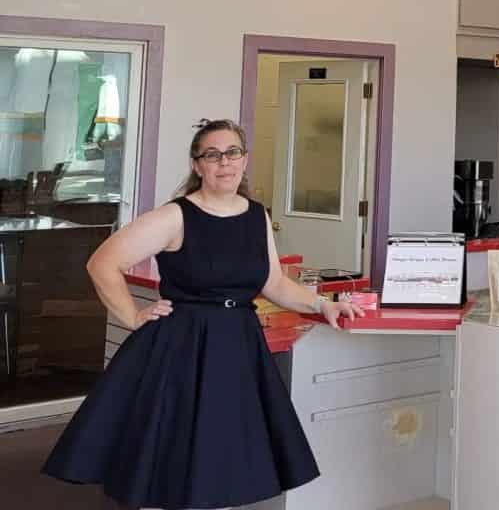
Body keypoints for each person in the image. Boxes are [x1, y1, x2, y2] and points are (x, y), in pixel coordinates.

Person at [43, 117, 364, 510]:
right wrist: (131, 315)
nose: (224, 162)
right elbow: (102, 263)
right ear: (198, 165)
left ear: (245, 160)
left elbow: (273, 283)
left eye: (232, 153)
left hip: (238, 345)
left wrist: (321, 304)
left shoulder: (256, 215)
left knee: (221, 453)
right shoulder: (176, 216)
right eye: (212, 155)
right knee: (172, 454)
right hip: (183, 347)